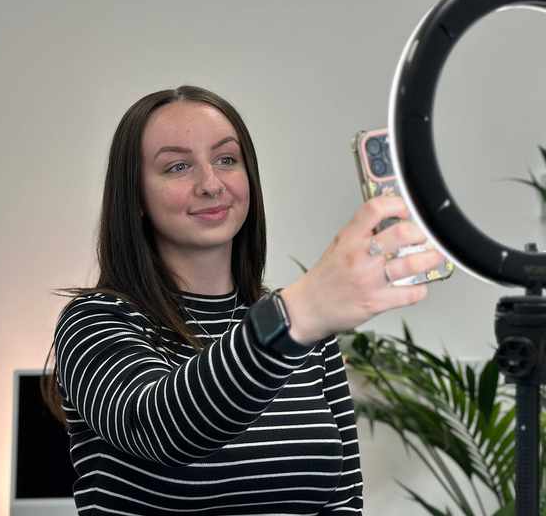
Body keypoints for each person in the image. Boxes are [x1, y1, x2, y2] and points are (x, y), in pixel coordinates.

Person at [42, 85, 445, 515]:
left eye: (226, 160)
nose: (211, 184)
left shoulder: (304, 330)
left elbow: (343, 500)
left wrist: (298, 318)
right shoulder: (95, 321)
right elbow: (162, 428)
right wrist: (297, 314)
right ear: (135, 197)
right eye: (178, 166)